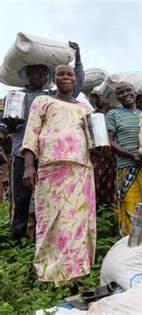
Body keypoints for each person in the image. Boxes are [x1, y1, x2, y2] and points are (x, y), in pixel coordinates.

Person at [0, 42, 83, 241]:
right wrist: (8, 127)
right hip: (22, 151)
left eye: (46, 74)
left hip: (48, 154)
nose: (44, 77)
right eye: (39, 73)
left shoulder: (51, 98)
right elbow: (4, 127)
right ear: (28, 75)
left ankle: (43, 235)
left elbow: (76, 86)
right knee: (21, 196)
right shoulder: (16, 96)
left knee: (48, 196)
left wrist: (78, 58)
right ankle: (18, 237)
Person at [21, 64, 95, 283]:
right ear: (54, 79)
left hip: (81, 167)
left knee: (77, 219)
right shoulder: (42, 101)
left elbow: (93, 138)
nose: (65, 77)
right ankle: (50, 272)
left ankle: (76, 272)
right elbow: (31, 132)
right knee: (51, 219)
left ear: (75, 79)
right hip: (51, 167)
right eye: (60, 74)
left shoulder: (85, 107)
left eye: (69, 74)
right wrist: (28, 166)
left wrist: (99, 151)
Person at [106, 82, 142, 236]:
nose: (125, 94)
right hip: (126, 166)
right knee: (131, 208)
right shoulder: (113, 114)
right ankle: (129, 250)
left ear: (135, 92)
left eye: (128, 90)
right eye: (120, 92)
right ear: (117, 97)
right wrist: (132, 156)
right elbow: (110, 141)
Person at [89, 92, 116, 209]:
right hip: (95, 156)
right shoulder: (90, 115)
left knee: (109, 189)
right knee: (94, 186)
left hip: (111, 157)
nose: (99, 100)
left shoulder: (113, 116)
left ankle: (106, 217)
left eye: (101, 96)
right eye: (96, 98)